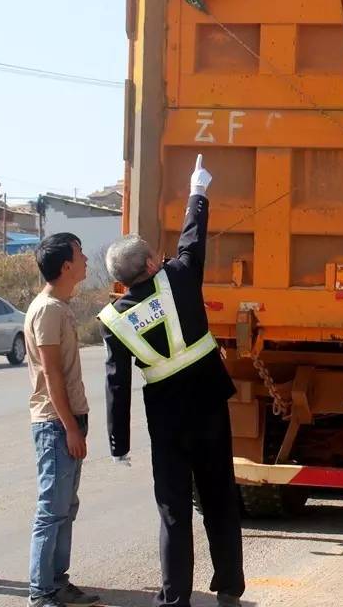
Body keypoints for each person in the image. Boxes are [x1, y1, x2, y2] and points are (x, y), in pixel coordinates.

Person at [100, 154, 244, 607]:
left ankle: (176, 598)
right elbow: (191, 241)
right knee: (219, 497)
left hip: (166, 420)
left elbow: (116, 385)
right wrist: (197, 192)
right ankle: (229, 589)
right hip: (208, 408)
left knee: (173, 510)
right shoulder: (179, 278)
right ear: (149, 263)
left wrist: (119, 443)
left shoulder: (114, 319)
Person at [24, 233, 100, 607]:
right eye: (80, 254)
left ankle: (57, 581)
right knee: (52, 510)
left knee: (66, 508)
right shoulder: (48, 310)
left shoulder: (60, 305)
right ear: (66, 266)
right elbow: (52, 374)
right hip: (55, 423)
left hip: (68, 419)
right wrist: (70, 426)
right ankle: (41, 592)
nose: (86, 259)